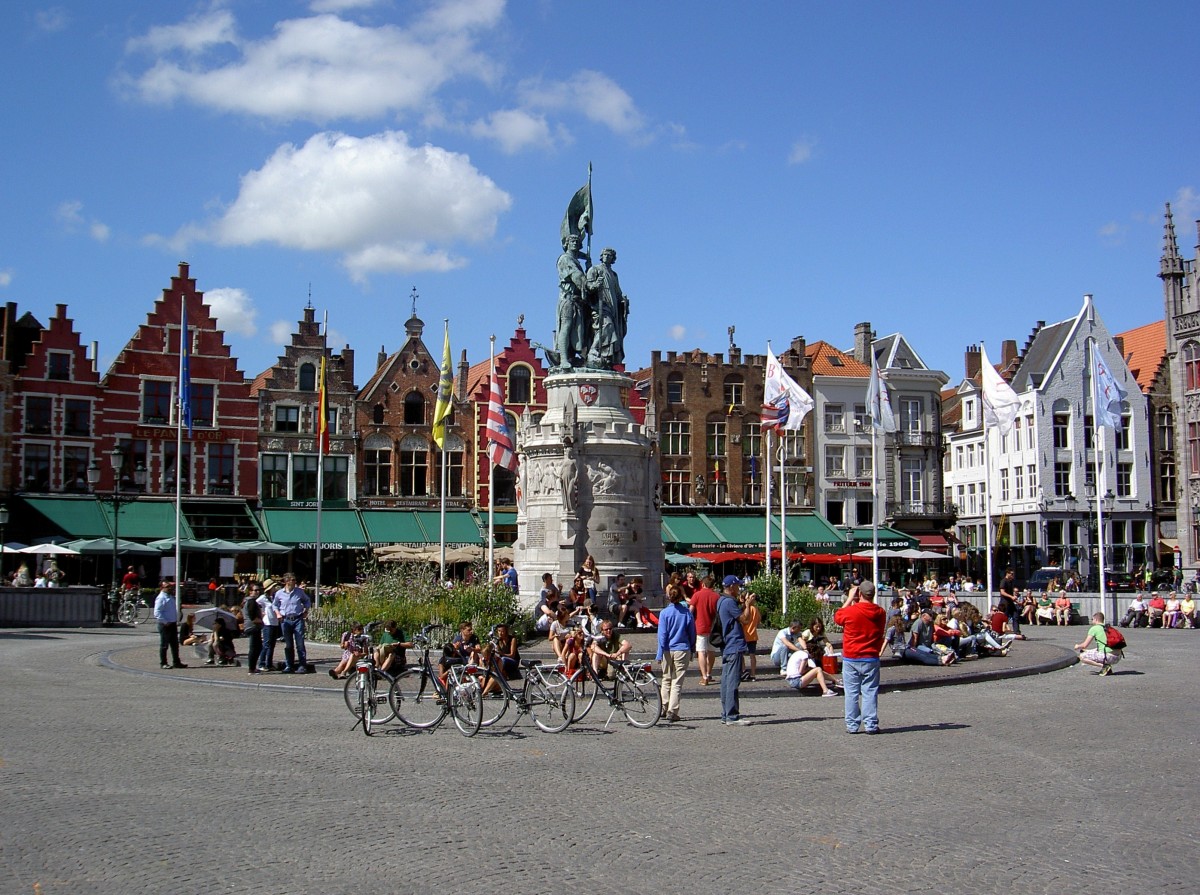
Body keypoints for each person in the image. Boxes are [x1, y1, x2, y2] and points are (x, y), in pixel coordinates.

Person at [834, 580, 886, 735]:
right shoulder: (880, 612)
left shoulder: (851, 611)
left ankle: (852, 725)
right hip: (870, 655)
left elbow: (837, 618)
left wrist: (850, 599)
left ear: (859, 594)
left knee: (851, 693)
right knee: (870, 692)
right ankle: (870, 724)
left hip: (851, 656)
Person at [656, 583, 696, 723]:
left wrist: (659, 653)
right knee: (677, 682)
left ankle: (663, 708)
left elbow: (662, 636)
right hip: (682, 649)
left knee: (666, 679)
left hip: (667, 649)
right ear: (681, 597)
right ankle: (672, 711)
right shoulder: (686, 613)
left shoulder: (664, 613)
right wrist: (692, 648)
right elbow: (692, 633)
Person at [584, 246, 629, 368]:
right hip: (599, 305)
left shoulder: (614, 274)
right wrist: (595, 285)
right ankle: (593, 351)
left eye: (610, 255)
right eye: (605, 254)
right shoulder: (595, 270)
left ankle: (606, 357)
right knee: (606, 327)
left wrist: (623, 300)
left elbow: (617, 292)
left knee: (610, 330)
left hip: (612, 306)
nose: (607, 257)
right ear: (601, 256)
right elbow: (587, 286)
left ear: (613, 259)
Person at [715, 575, 750, 726]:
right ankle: (732, 715)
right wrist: (748, 605)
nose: (739, 588)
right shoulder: (729, 602)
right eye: (737, 586)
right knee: (732, 682)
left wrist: (741, 605)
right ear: (731, 587)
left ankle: (725, 714)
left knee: (726, 681)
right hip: (733, 644)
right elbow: (745, 619)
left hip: (727, 645)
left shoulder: (721, 601)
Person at [554, 231, 589, 369]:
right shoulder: (565, 259)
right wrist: (589, 284)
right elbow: (577, 277)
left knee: (578, 331)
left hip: (578, 301)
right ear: (566, 243)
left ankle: (572, 356)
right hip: (567, 299)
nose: (574, 242)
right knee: (566, 327)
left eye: (577, 241)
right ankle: (563, 359)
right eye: (571, 240)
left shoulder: (575, 261)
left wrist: (588, 265)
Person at [272, 574, 312, 673]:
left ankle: (302, 665)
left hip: (298, 618)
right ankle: (289, 665)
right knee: (288, 644)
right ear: (287, 581)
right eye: (293, 580)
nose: (295, 582)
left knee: (300, 643)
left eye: (295, 580)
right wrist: (278, 614)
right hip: (285, 620)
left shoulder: (299, 592)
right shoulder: (279, 593)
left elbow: (307, 601)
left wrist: (306, 611)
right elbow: (275, 605)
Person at [690, 574, 720, 686]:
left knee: (701, 652)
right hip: (713, 627)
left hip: (700, 627)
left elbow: (690, 611)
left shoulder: (697, 595)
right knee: (711, 651)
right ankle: (709, 673)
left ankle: (704, 676)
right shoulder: (716, 596)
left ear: (703, 584)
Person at [153, 580, 187, 669]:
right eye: (167, 587)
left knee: (175, 645)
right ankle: (163, 663)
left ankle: (176, 662)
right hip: (165, 625)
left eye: (170, 587)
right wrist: (165, 622)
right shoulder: (161, 598)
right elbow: (157, 612)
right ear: (162, 588)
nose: (170, 588)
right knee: (164, 645)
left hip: (172, 623)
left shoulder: (170, 597)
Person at [257, 579, 282, 671]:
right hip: (268, 622)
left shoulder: (274, 597)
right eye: (273, 587)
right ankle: (261, 663)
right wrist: (261, 613)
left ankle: (269, 663)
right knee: (266, 644)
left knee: (272, 644)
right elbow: (256, 603)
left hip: (275, 622)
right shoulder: (263, 597)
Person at [241, 583, 264, 675]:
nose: (257, 592)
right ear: (250, 592)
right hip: (252, 626)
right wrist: (261, 621)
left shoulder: (249, 601)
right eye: (255, 590)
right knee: (255, 648)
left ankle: (253, 667)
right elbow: (252, 617)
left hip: (251, 626)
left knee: (257, 647)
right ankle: (251, 668)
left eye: (258, 590)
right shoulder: (251, 601)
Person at [739, 590, 761, 681]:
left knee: (742, 654)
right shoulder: (755, 609)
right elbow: (759, 620)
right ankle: (753, 673)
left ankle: (744, 671)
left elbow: (744, 619)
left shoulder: (744, 609)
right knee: (752, 655)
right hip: (753, 634)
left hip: (744, 634)